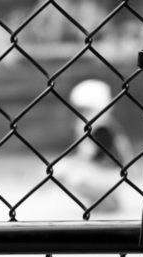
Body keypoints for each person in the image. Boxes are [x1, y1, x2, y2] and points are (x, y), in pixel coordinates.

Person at [56, 79, 132, 213]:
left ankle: (106, 200)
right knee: (65, 168)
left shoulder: (100, 128)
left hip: (109, 175)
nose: (82, 113)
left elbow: (88, 157)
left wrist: (64, 166)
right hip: (114, 175)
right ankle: (105, 199)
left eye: (86, 109)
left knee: (67, 173)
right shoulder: (106, 123)